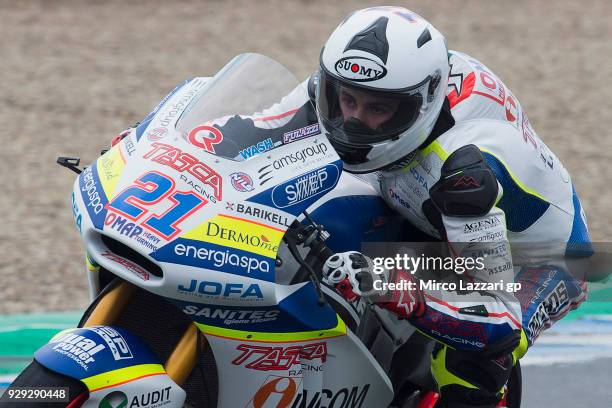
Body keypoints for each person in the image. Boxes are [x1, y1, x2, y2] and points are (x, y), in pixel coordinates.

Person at [314, 6, 593, 408]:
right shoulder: (370, 83)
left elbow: (498, 321)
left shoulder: (464, 176)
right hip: (431, 220)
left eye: (377, 110)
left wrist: (398, 290)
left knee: (474, 363)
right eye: (347, 100)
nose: (354, 121)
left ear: (420, 104)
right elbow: (263, 125)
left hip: (535, 260)